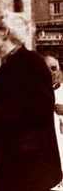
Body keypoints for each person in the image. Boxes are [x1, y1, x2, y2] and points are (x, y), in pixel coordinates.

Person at [0, 11, 62, 191]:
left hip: (32, 166)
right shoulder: (11, 64)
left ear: (5, 32)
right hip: (18, 163)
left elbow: (40, 107)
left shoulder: (31, 62)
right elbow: (1, 97)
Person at [44, 55, 63, 190]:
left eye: (54, 68)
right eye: (47, 69)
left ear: (59, 69)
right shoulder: (36, 94)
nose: (51, 73)